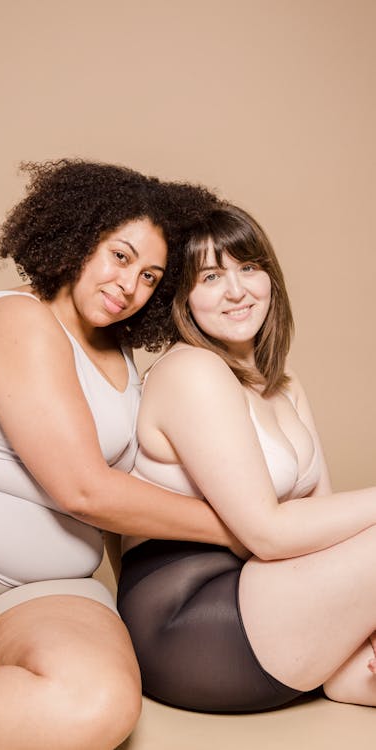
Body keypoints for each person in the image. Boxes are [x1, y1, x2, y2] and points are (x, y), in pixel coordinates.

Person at [0, 160, 241, 750]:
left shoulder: (124, 363)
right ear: (76, 239)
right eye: (120, 257)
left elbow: (124, 508)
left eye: (151, 276)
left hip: (50, 584)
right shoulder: (17, 318)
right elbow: (85, 491)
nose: (131, 285)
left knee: (96, 707)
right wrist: (241, 529)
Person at [117, 199, 376, 713]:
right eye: (210, 277)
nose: (236, 291)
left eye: (249, 268)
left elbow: (327, 515)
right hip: (193, 620)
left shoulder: (284, 383)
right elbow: (268, 532)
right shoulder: (191, 372)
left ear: (270, 278)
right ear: (183, 298)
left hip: (271, 596)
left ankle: (350, 667)